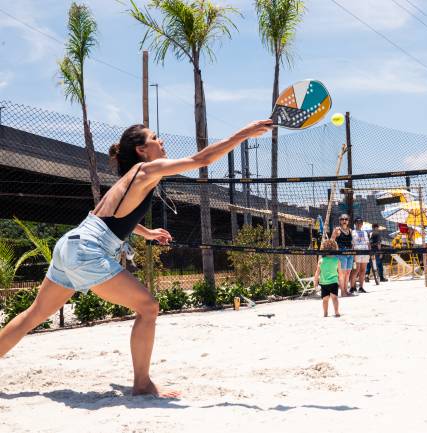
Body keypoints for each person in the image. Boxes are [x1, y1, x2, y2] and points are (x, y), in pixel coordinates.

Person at [0, 119, 273, 397]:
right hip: (87, 250)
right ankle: (142, 384)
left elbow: (107, 217)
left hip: (71, 243)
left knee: (33, 314)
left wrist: (146, 232)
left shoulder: (129, 177)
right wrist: (244, 134)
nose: (162, 141)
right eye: (155, 137)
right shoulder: (147, 169)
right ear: (142, 149)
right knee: (149, 308)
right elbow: (200, 159)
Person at [313, 239, 341, 317]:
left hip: (325, 282)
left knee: (325, 299)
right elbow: (340, 274)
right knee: (334, 298)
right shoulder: (336, 260)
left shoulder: (321, 260)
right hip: (331, 282)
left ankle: (327, 313)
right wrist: (341, 283)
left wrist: (315, 283)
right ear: (335, 249)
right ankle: (335, 312)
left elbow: (317, 273)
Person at [332, 214, 353, 297]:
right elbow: (332, 241)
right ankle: (342, 292)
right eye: (342, 219)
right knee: (342, 273)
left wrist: (353, 252)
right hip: (341, 253)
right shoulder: (337, 230)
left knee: (348, 273)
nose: (344, 221)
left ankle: (346, 291)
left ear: (348, 221)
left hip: (350, 253)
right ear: (340, 221)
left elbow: (352, 243)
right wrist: (334, 252)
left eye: (346, 219)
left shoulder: (350, 230)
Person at [350, 217, 370, 293]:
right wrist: (352, 254)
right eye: (357, 222)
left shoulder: (365, 232)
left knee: (363, 270)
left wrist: (369, 253)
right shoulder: (352, 232)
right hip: (357, 252)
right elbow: (352, 244)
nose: (359, 224)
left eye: (360, 222)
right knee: (356, 270)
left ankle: (361, 287)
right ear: (355, 224)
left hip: (365, 252)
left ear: (362, 224)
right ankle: (352, 287)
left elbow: (368, 243)